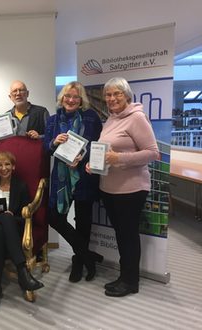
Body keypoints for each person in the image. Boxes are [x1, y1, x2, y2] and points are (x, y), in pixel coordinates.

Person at [86, 77, 159, 297]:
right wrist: (94, 164)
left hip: (131, 189)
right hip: (110, 188)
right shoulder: (111, 119)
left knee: (127, 235)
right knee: (121, 234)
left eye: (116, 93)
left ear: (127, 95)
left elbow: (153, 153)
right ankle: (124, 276)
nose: (111, 98)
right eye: (108, 95)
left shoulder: (137, 118)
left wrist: (119, 158)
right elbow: (105, 152)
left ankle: (131, 282)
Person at [44, 81, 103, 282]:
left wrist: (82, 157)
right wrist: (54, 142)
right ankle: (87, 257)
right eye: (67, 96)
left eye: (75, 97)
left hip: (84, 176)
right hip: (60, 178)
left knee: (83, 221)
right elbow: (46, 148)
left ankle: (78, 262)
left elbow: (98, 145)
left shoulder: (91, 118)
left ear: (81, 100)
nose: (70, 100)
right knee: (54, 217)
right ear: (62, 98)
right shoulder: (52, 120)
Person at [0, 151, 44, 310]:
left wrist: (12, 216)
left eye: (7, 164)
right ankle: (23, 272)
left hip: (7, 227)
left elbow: (26, 216)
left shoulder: (21, 186)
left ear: (13, 166)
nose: (3, 168)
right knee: (1, 221)